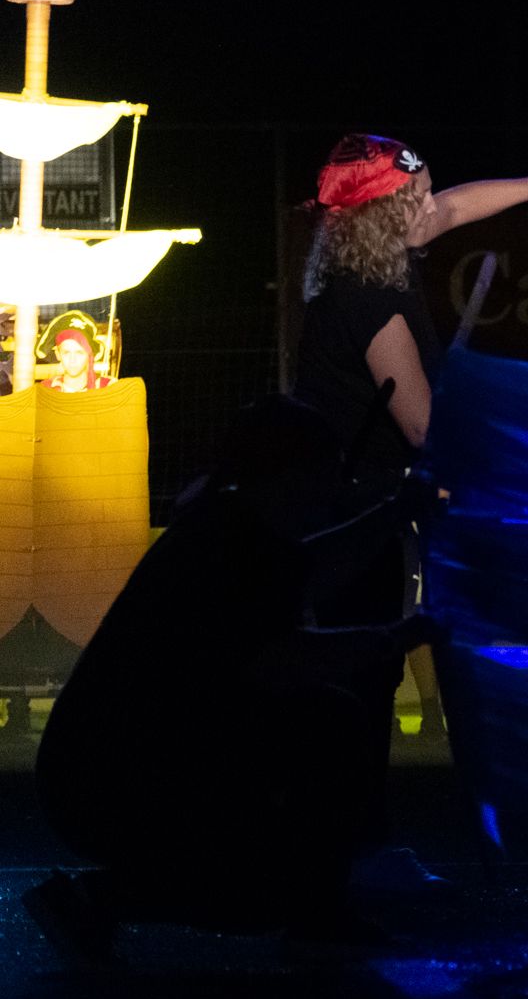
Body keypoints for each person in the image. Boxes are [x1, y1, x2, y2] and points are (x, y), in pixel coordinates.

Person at [24, 396, 435, 963]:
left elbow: (310, 571)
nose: (332, 489)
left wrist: (391, 516)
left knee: (317, 731)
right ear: (291, 473)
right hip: (116, 781)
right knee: (324, 736)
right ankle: (107, 897)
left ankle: (110, 896)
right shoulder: (233, 543)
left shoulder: (226, 526)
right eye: (325, 471)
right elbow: (284, 657)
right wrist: (395, 637)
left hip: (102, 771)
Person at [289, 133, 528, 814]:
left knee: (364, 668)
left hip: (367, 501)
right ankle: (341, 851)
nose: (431, 205)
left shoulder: (372, 255)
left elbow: (455, 209)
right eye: (416, 196)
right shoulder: (372, 301)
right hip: (348, 512)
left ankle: (346, 845)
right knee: (360, 675)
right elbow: (424, 428)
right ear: (381, 215)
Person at [42, 327, 111, 391]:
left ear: (89, 355)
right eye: (66, 352)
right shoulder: (46, 389)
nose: (72, 360)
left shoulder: (107, 388)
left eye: (79, 353)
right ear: (58, 354)